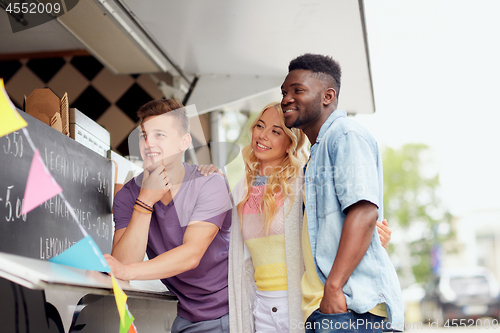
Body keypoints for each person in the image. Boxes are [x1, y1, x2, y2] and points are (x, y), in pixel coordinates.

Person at [200, 102, 392, 333]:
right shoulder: (241, 191)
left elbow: (335, 229)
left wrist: (374, 241)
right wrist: (213, 181)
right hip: (259, 306)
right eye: (260, 126)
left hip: (298, 304)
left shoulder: (304, 184)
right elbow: (218, 235)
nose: (263, 135)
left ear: (290, 142)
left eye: (275, 131)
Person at [280, 53, 404, 332]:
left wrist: (334, 287)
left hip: (351, 309)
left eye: (297, 90)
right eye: (284, 92)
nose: (286, 98)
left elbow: (364, 212)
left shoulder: (345, 135)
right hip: (328, 308)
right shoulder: (316, 152)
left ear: (327, 96)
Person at [104, 99, 232, 333]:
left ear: (184, 142)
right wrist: (145, 202)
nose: (148, 143)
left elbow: (190, 255)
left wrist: (127, 271)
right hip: (187, 316)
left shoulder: (209, 184)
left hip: (231, 311)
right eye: (144, 135)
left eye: (159, 135)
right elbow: (122, 263)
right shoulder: (127, 196)